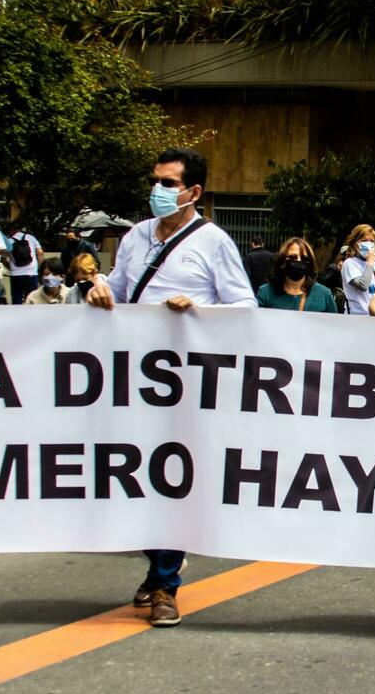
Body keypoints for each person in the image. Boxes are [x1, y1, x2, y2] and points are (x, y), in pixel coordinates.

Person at [86, 148, 256, 628]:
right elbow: (118, 291)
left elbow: (244, 307)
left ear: (193, 192)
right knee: (128, 472)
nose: (157, 190)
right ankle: (160, 560)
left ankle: (164, 583)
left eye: (168, 183)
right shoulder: (135, 238)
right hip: (128, 378)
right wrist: (99, 291)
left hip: (182, 384)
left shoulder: (214, 242)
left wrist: (198, 311)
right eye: (156, 180)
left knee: (169, 477)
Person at [256, 237, 336, 312]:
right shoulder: (265, 293)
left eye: (304, 258)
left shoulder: (324, 294)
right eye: (292, 257)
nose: (298, 261)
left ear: (310, 263)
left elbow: (333, 325)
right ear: (282, 261)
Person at [341, 224, 375, 315]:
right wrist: (369, 263)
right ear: (355, 244)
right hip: (356, 318)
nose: (369, 244)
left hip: (374, 318)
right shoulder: (349, 264)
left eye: (371, 241)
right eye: (364, 241)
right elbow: (363, 285)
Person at [5, 222, 43, 305]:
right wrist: (38, 267)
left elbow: (3, 258)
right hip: (31, 273)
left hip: (16, 275)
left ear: (12, 231)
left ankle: (17, 316)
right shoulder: (31, 238)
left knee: (16, 299)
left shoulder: (9, 241)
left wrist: (10, 267)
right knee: (31, 298)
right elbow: (40, 252)